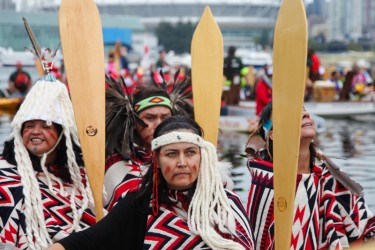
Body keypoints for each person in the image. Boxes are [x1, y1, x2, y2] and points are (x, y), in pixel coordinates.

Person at [47, 116, 255, 250]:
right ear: (157, 159)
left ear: (202, 157)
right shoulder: (140, 204)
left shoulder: (227, 203)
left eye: (190, 153)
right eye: (171, 154)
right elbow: (85, 242)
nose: (181, 162)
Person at [245, 101, 375, 249]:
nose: (306, 114)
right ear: (273, 134)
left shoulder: (330, 178)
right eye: (295, 112)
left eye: (305, 110)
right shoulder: (265, 185)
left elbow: (366, 227)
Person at [0, 73, 95, 249]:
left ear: (61, 135)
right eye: (29, 126)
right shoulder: (3, 173)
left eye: (45, 126)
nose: (35, 131)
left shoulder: (80, 178)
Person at [104, 71, 193, 210]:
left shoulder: (188, 160)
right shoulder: (117, 165)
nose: (159, 124)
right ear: (134, 122)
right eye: (150, 118)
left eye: (165, 118)